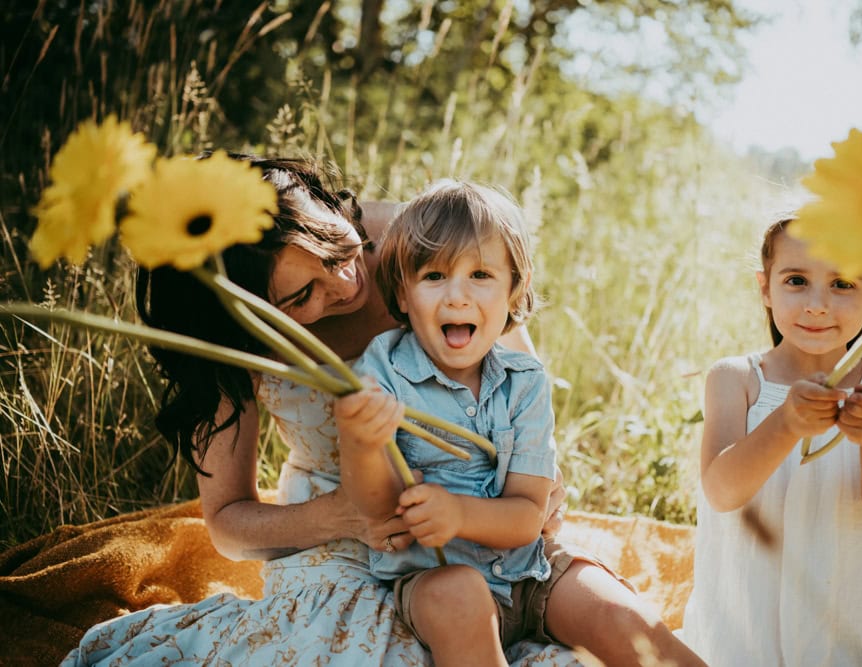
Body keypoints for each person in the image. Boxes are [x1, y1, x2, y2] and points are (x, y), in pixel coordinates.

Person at [62, 157, 582, 665]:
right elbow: (227, 523)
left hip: (481, 508)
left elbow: (515, 392)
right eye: (304, 294)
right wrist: (341, 516)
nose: (346, 281)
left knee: (584, 614)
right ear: (249, 320)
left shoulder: (427, 243)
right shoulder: (230, 341)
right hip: (338, 528)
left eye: (334, 247)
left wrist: (536, 483)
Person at [335, 179, 707, 667]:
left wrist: (460, 514)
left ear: (515, 292)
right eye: (433, 277)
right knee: (461, 599)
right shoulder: (381, 371)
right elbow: (377, 506)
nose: (458, 296)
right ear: (402, 295)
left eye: (481, 275)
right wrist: (362, 442)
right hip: (433, 575)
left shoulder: (524, 380)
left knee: (620, 616)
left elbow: (529, 513)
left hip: (531, 570)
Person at [679, 216, 862, 666]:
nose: (818, 305)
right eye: (797, 280)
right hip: (752, 611)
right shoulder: (738, 380)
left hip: (856, 608)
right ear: (765, 288)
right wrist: (784, 424)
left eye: (842, 283)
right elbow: (722, 493)